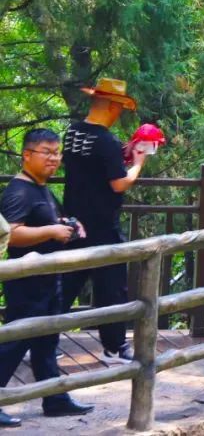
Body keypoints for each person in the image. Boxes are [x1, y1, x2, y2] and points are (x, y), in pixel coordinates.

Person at [0, 129, 94, 424]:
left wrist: (65, 224)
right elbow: (12, 234)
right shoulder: (18, 191)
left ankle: (55, 398)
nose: (53, 159)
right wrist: (51, 231)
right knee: (15, 342)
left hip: (48, 278)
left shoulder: (41, 188)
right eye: (46, 152)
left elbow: (43, 222)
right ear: (27, 155)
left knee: (47, 341)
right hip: (26, 281)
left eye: (57, 153)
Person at [61, 78, 149, 364]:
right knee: (111, 286)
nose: (120, 112)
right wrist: (138, 164)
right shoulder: (106, 141)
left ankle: (38, 339)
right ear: (112, 105)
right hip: (102, 226)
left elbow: (89, 163)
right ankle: (114, 346)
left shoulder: (73, 132)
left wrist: (122, 152)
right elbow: (118, 183)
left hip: (73, 222)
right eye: (119, 107)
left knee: (66, 283)